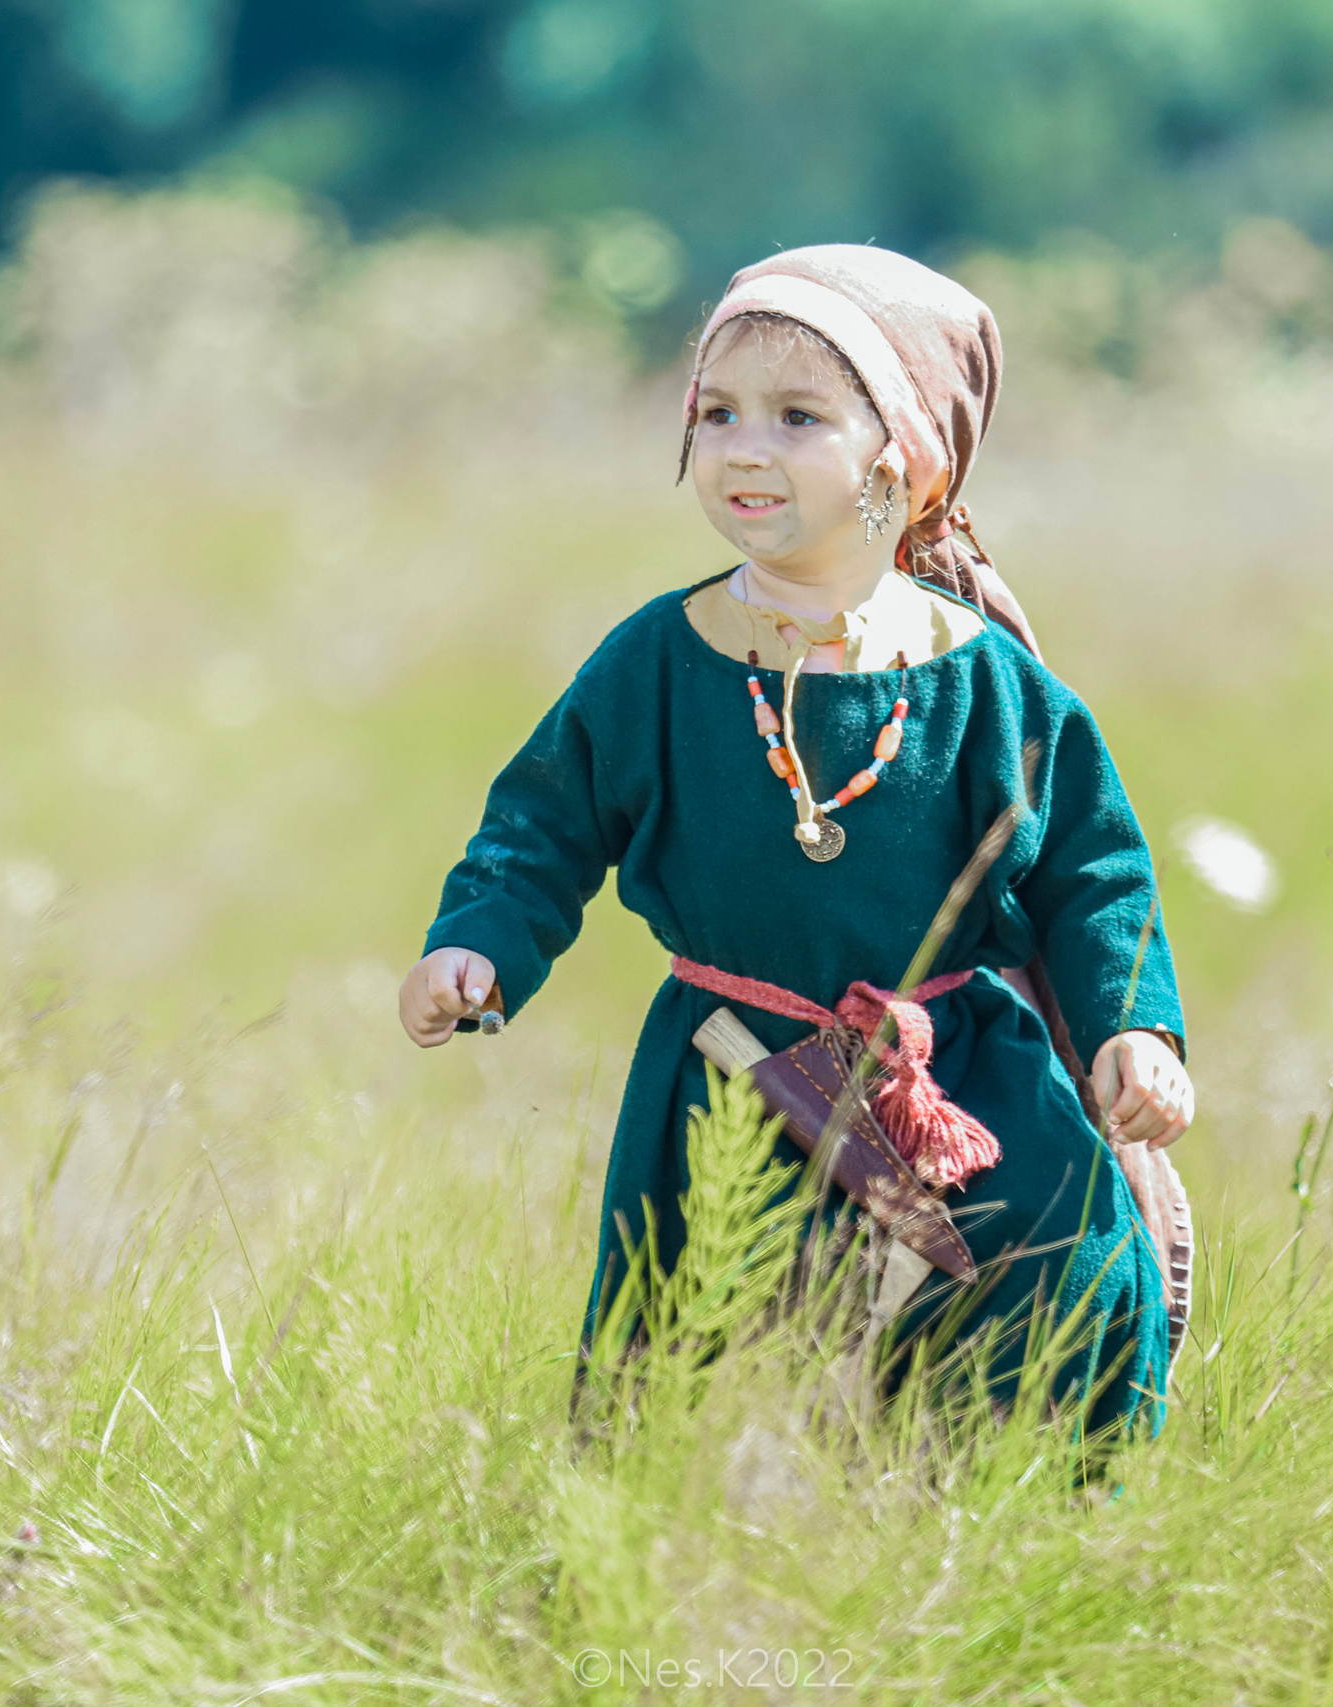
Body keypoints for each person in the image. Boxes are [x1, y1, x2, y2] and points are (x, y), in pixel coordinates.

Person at [398, 245, 1194, 1443]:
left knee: (1065, 1275)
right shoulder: (657, 661)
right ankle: (683, 1570)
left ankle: (1023, 1552)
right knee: (694, 1359)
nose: (743, 447)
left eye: (796, 415)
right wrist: (477, 945)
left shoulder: (985, 680)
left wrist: (1133, 1025)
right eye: (716, 412)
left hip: (952, 1070)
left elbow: (1093, 868)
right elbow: (542, 824)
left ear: (901, 463)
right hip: (726, 1069)